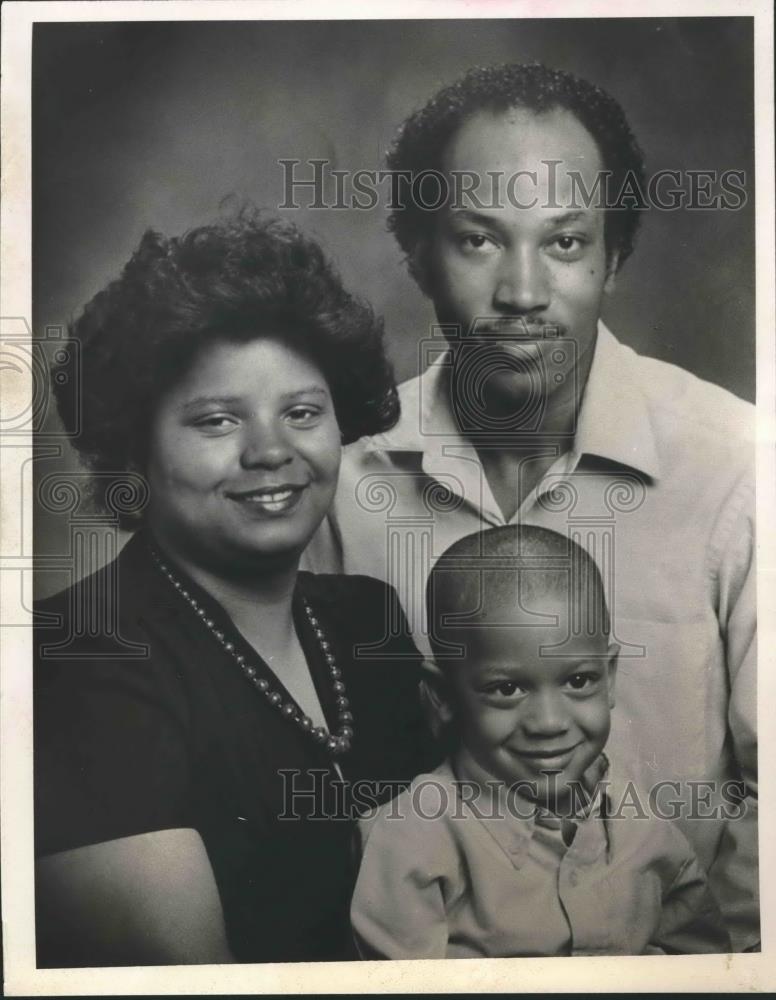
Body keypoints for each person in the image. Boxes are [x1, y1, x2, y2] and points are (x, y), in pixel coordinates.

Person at [303, 64, 757, 950]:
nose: (521, 293)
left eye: (564, 243)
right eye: (478, 240)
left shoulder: (737, 464)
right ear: (418, 253)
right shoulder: (344, 476)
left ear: (614, 258)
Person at [33, 211, 434, 966]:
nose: (271, 451)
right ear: (134, 448)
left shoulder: (367, 624)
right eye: (216, 420)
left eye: (302, 412)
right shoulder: (80, 658)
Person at [351, 525, 731, 958]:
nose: (549, 723)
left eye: (578, 680)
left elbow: (706, 963)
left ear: (609, 677)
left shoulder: (641, 820)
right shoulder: (410, 841)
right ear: (442, 696)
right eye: (507, 689)